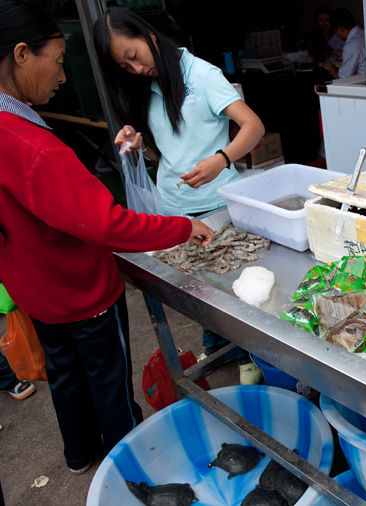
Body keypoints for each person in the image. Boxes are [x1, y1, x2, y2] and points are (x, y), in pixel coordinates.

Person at [0, 0, 215, 474]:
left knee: (65, 376)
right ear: (20, 55)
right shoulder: (29, 143)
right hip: (81, 292)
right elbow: (106, 223)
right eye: (56, 62)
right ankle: (133, 467)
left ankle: (79, 455)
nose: (61, 76)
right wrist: (181, 227)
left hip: (37, 291)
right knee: (108, 380)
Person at [93, 7, 265, 384]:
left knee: (233, 289)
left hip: (218, 207)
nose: (136, 70)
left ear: (149, 35)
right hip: (174, 213)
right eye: (125, 67)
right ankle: (215, 344)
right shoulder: (146, 87)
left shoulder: (202, 74)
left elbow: (254, 125)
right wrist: (137, 145)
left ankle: (247, 353)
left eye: (134, 57)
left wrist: (222, 159)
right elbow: (166, 153)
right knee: (198, 291)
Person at [320, 8, 366, 79]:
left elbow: (343, 80)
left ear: (340, 29)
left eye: (336, 32)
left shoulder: (350, 46)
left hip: (362, 86)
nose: (337, 36)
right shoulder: (364, 34)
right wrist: (344, 55)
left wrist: (330, 68)